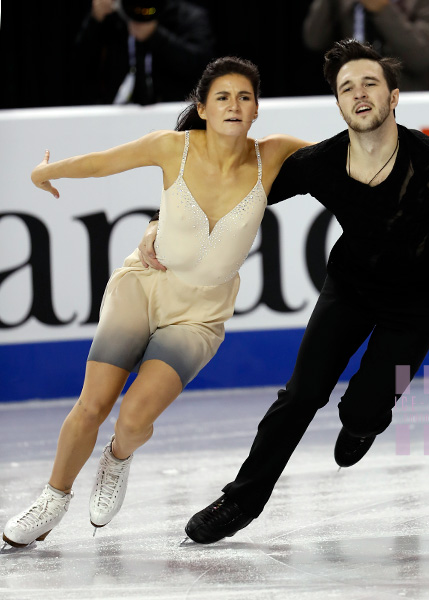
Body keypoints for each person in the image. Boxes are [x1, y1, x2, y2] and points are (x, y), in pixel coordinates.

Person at [156, 39, 429, 544]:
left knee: (364, 408)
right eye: (347, 88)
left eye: (370, 83)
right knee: (301, 393)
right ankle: (241, 500)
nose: (359, 93)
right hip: (351, 289)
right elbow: (241, 196)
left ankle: (364, 422)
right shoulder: (320, 162)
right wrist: (165, 223)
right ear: (339, 104)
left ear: (393, 97)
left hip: (421, 304)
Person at [2, 56, 309, 549]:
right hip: (144, 286)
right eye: (223, 97)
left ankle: (117, 458)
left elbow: (348, 159)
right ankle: (52, 499)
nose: (234, 105)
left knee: (133, 418)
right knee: (93, 403)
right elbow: (102, 162)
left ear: (256, 110)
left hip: (200, 315)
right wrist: (47, 171)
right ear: (202, 108)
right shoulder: (173, 147)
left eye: (244, 97)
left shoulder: (272, 155)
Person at [71, 0, 214, 105]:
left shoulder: (187, 16)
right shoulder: (114, 16)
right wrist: (95, 19)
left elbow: (201, 66)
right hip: (115, 112)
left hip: (173, 111)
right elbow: (79, 65)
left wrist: (155, 35)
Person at [303, 0, 429, 91]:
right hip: (352, 96)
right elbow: (314, 40)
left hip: (406, 99)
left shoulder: (425, 3)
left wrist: (383, 9)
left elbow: (421, 57)